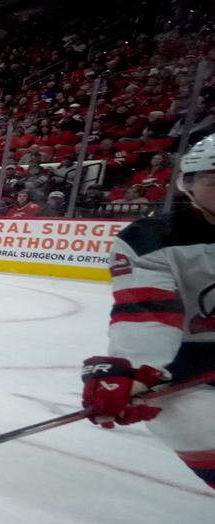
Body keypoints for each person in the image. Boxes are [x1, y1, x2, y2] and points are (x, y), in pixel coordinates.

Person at [80, 133, 215, 492]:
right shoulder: (153, 240)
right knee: (189, 421)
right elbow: (147, 314)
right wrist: (137, 374)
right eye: (213, 181)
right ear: (189, 184)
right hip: (187, 365)